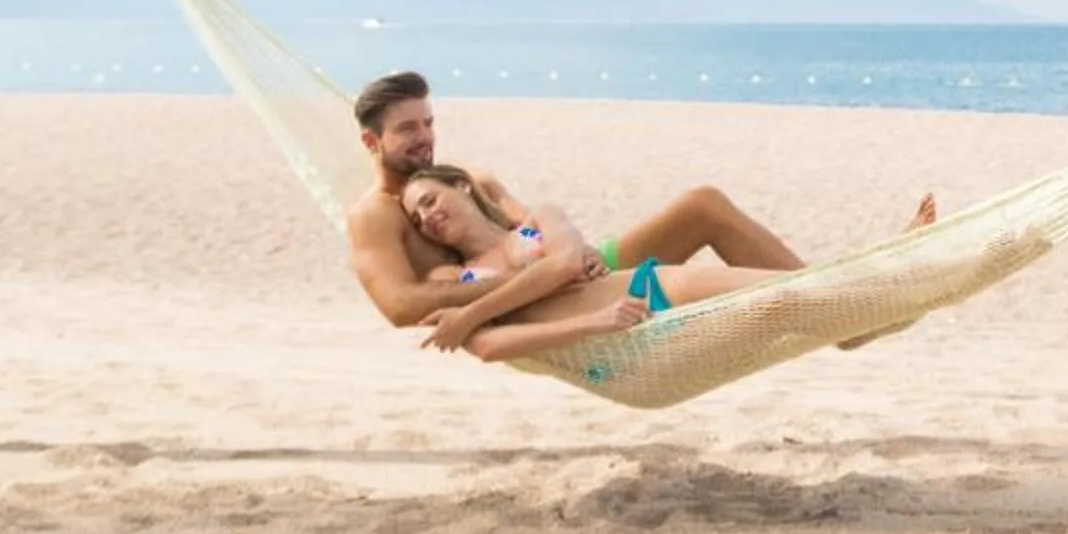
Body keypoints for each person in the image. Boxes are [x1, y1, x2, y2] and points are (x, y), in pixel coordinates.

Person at [344, 69, 824, 330]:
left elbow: (528, 222)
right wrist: (532, 283)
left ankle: (840, 299)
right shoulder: (374, 217)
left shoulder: (465, 178)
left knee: (703, 204)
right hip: (553, 295)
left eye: (428, 123)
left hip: (581, 269)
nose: (425, 138)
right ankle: (838, 302)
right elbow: (401, 307)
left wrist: (570, 251)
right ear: (372, 142)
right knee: (684, 280)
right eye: (407, 129)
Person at [399, 162, 936, 365]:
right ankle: (879, 291)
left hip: (642, 287)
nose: (425, 219)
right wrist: (591, 322)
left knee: (797, 298)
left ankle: (871, 301)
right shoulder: (456, 279)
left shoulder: (537, 220)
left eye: (429, 201)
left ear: (461, 187)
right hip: (633, 312)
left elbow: (564, 261)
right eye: (416, 218)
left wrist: (471, 314)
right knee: (797, 298)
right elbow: (490, 347)